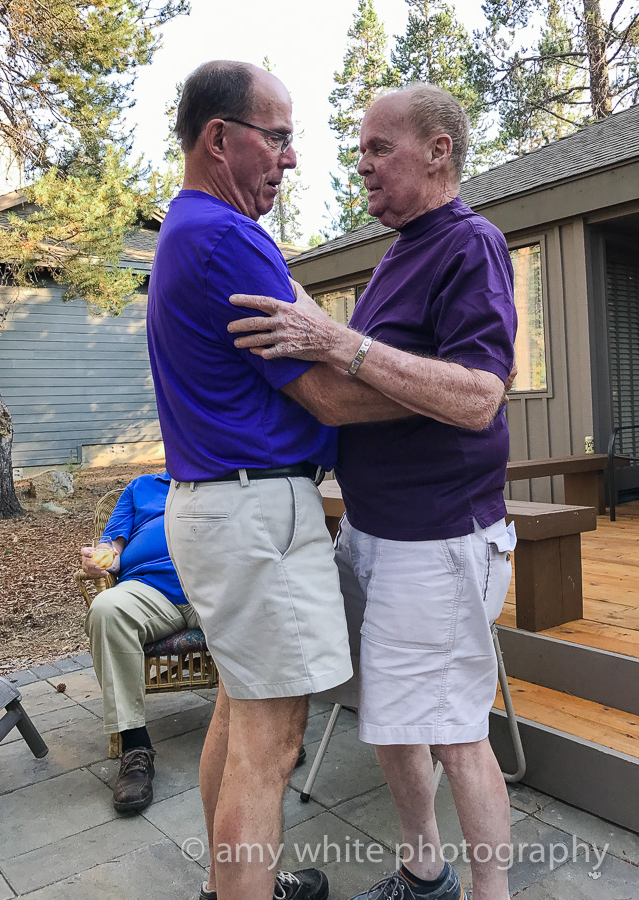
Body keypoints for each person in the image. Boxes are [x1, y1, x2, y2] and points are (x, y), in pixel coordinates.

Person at [229, 83, 518, 900]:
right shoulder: (398, 252)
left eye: (378, 148)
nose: (360, 165)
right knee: (390, 718)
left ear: (438, 151)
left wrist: (337, 344)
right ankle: (424, 873)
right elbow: (372, 386)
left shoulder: (470, 244)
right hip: (373, 532)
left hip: (439, 538)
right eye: (359, 150)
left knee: (455, 732)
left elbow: (477, 395)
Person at [145, 61, 421, 900]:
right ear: (218, 138)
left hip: (217, 506)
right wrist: (448, 394)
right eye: (277, 137)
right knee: (271, 745)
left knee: (238, 715)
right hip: (256, 513)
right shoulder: (229, 239)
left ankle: (229, 886)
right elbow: (329, 394)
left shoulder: (187, 229)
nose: (291, 158)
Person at [81, 471, 200, 814]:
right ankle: (135, 747)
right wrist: (100, 559)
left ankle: (262, 726)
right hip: (148, 589)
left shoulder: (219, 479)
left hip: (209, 584)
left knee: (255, 605)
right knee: (106, 609)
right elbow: (112, 547)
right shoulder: (141, 488)